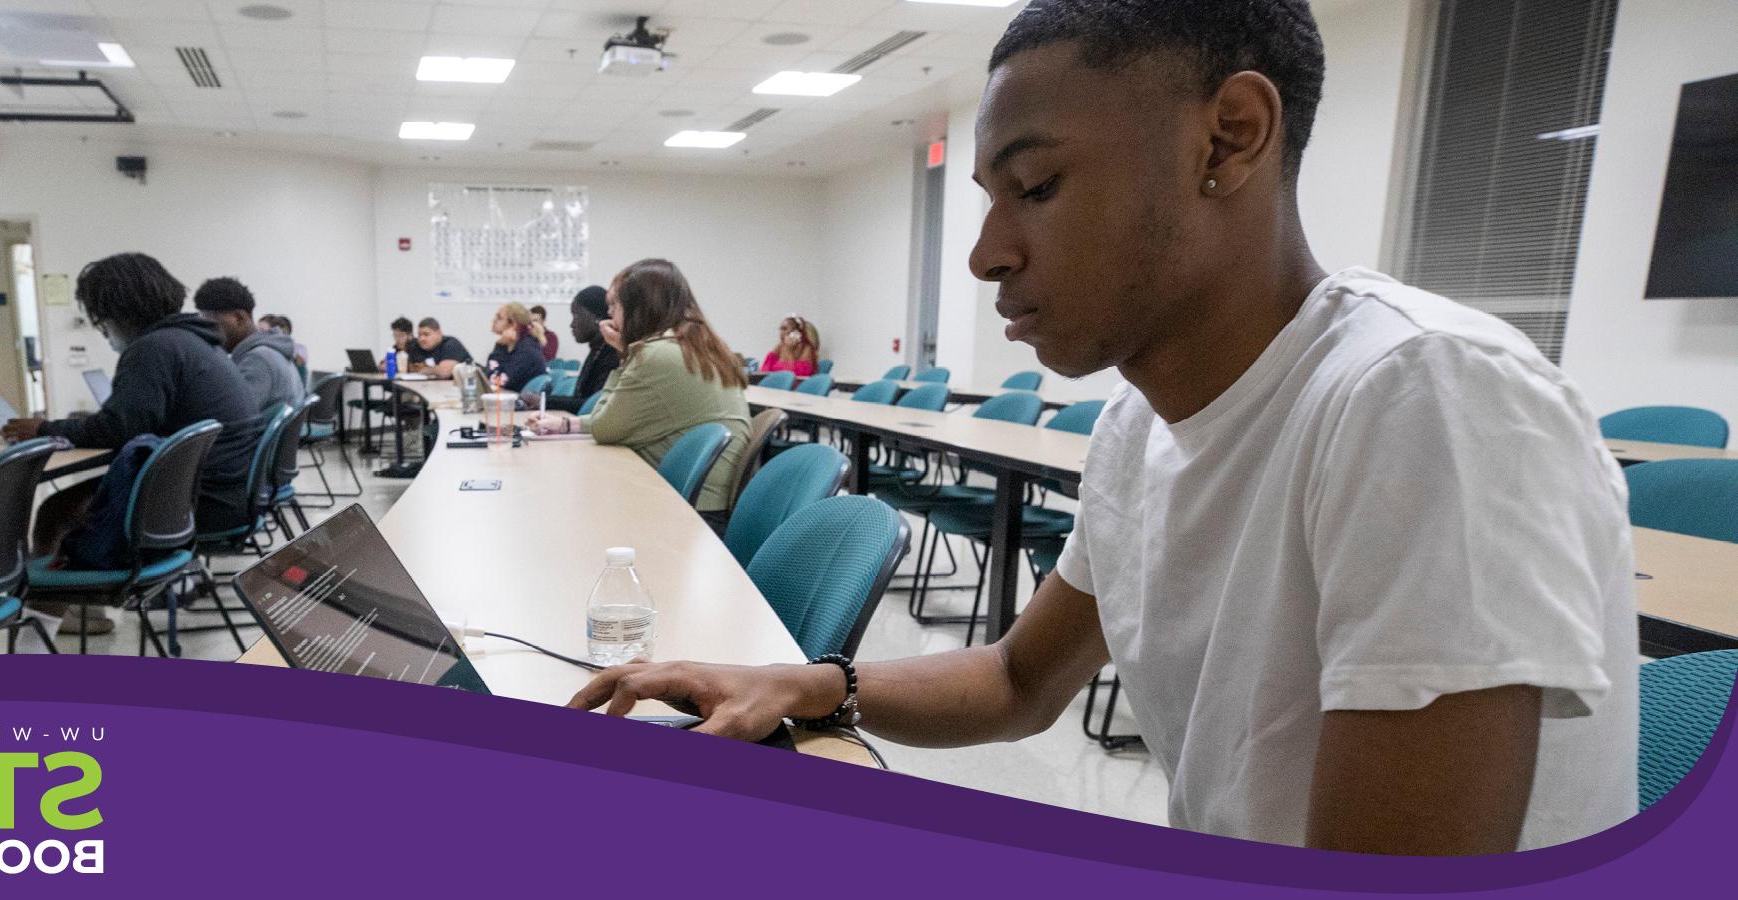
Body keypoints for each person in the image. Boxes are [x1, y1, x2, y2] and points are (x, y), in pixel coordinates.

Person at [567, 0, 1634, 856]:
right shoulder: (1140, 425)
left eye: (1036, 186)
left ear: (1230, 138)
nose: (985, 253)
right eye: (988, 198)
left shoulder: (1423, 397)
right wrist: (808, 684)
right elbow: (1019, 681)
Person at [2, 253, 265, 635]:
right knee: (66, 505)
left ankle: (41, 633)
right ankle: (77, 609)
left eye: (101, 321)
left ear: (115, 313)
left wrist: (44, 429)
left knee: (57, 513)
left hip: (199, 504)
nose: (103, 332)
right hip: (230, 494)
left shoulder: (152, 348)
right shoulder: (196, 341)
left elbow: (121, 429)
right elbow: (135, 420)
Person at [527, 260, 750, 528]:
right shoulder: (693, 343)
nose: (608, 315)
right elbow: (628, 417)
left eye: (614, 306)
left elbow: (605, 426)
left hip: (694, 514)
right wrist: (567, 424)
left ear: (638, 309)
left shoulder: (656, 355)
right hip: (705, 502)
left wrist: (623, 353)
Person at [194, 277, 303, 416]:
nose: (208, 330)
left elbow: (232, 416)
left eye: (212, 322)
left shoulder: (258, 359)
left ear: (239, 318)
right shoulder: (273, 349)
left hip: (255, 436)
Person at [546, 286, 620, 414]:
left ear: (597, 317)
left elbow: (593, 404)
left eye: (576, 315)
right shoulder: (596, 350)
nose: (572, 324)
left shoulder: (613, 354)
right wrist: (544, 400)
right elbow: (581, 399)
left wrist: (545, 401)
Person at [485, 302, 548, 396]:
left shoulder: (526, 350)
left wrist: (499, 347)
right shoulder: (515, 346)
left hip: (524, 408)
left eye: (499, 317)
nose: (494, 320)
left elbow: (496, 382)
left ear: (513, 324)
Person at [405, 317, 472, 377]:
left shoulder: (451, 344)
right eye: (419, 335)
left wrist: (425, 370)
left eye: (426, 334)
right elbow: (410, 370)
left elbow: (445, 372)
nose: (421, 339)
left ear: (439, 333)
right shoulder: (416, 346)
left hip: (472, 385)